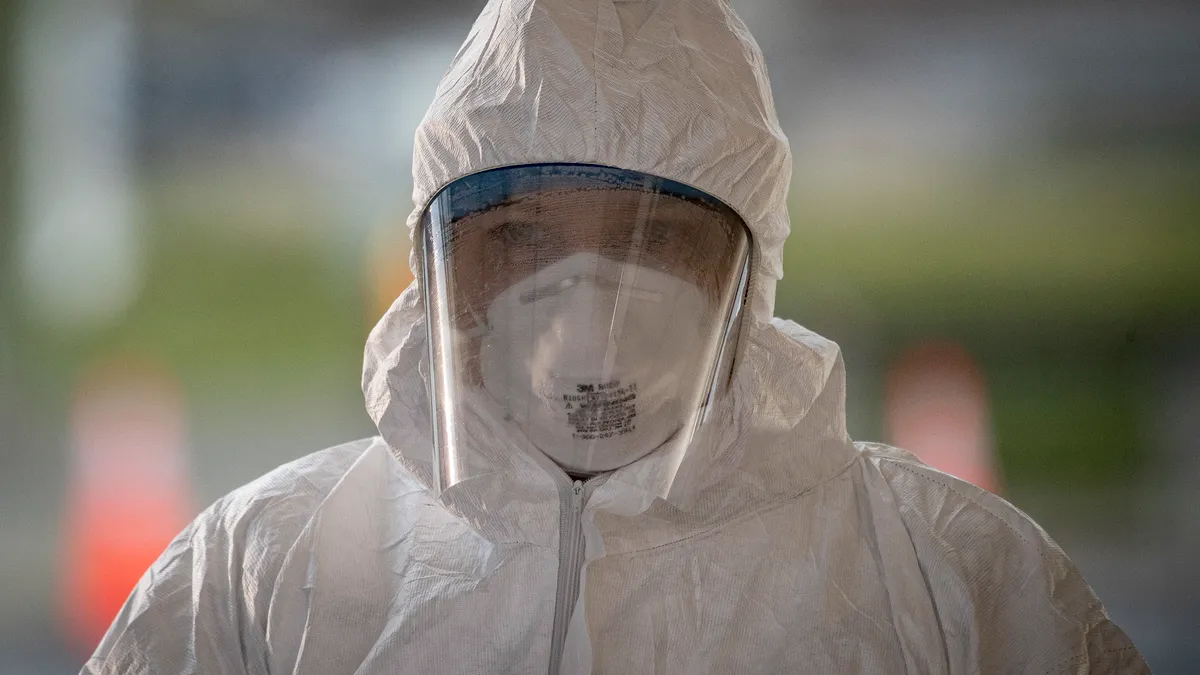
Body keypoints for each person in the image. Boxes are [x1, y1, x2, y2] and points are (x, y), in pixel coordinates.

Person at [83, 0, 1149, 673]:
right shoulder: (260, 577)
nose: (584, 303)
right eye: (520, 236)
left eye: (656, 240)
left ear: (749, 271)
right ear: (435, 272)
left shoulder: (954, 583)